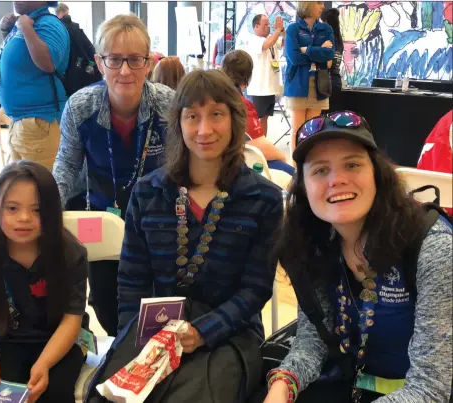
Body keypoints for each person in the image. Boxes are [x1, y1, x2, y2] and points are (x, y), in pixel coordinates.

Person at [87, 69, 284, 403]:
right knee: (106, 396)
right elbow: (132, 279)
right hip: (154, 330)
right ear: (178, 122)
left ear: (235, 120)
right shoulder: (148, 192)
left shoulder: (262, 198)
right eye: (192, 116)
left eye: (216, 115)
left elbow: (255, 289)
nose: (204, 130)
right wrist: (131, 342)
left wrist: (203, 332)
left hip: (230, 334)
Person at [263, 111, 452, 403]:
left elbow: (431, 387)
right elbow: (314, 341)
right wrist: (282, 385)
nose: (337, 180)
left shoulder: (432, 249)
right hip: (355, 382)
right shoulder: (312, 243)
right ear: (303, 187)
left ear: (377, 173)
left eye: (352, 164)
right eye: (320, 170)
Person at [52, 14, 175, 336]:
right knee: (107, 306)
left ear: (149, 63)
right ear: (99, 62)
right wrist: (48, 208)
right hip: (100, 211)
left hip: (157, 219)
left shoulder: (169, 106)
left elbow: (183, 168)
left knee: (157, 304)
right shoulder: (81, 106)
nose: (124, 71)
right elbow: (66, 164)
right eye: (115, 59)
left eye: (135, 60)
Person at [0, 160, 89, 403]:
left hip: (59, 341)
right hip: (5, 340)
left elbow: (71, 319)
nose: (24, 218)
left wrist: (44, 363)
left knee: (52, 391)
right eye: (12, 208)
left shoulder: (71, 253)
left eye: (37, 210)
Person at [0, 1, 69, 171]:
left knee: (44, 193)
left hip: (40, 122)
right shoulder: (26, 23)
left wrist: (26, 29)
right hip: (21, 123)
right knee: (24, 192)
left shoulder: (48, 23)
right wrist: (6, 31)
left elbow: (49, 63)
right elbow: (17, 59)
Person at [220, 49, 293, 175]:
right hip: (233, 163)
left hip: (216, 160)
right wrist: (281, 156)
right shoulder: (240, 104)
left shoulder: (214, 95)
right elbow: (257, 146)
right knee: (294, 175)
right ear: (248, 76)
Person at [284, 1, 334, 155]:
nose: (322, 6)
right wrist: (319, 51)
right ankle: (295, 170)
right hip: (297, 83)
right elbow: (295, 58)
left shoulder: (326, 29)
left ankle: (307, 167)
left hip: (318, 83)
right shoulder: (293, 29)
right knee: (297, 131)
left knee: (311, 132)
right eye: (318, 2)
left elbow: (329, 55)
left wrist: (306, 50)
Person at [246, 14, 284, 137]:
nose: (268, 27)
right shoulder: (253, 40)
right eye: (265, 25)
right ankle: (255, 143)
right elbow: (267, 44)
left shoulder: (271, 38)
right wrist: (277, 30)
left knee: (265, 119)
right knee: (256, 119)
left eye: (269, 25)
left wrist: (283, 31)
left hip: (271, 88)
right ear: (256, 26)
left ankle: (263, 142)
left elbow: (283, 42)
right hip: (259, 89)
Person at [322, 8, 344, 113]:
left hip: (326, 81)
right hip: (336, 81)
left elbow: (328, 64)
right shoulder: (339, 40)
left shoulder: (328, 40)